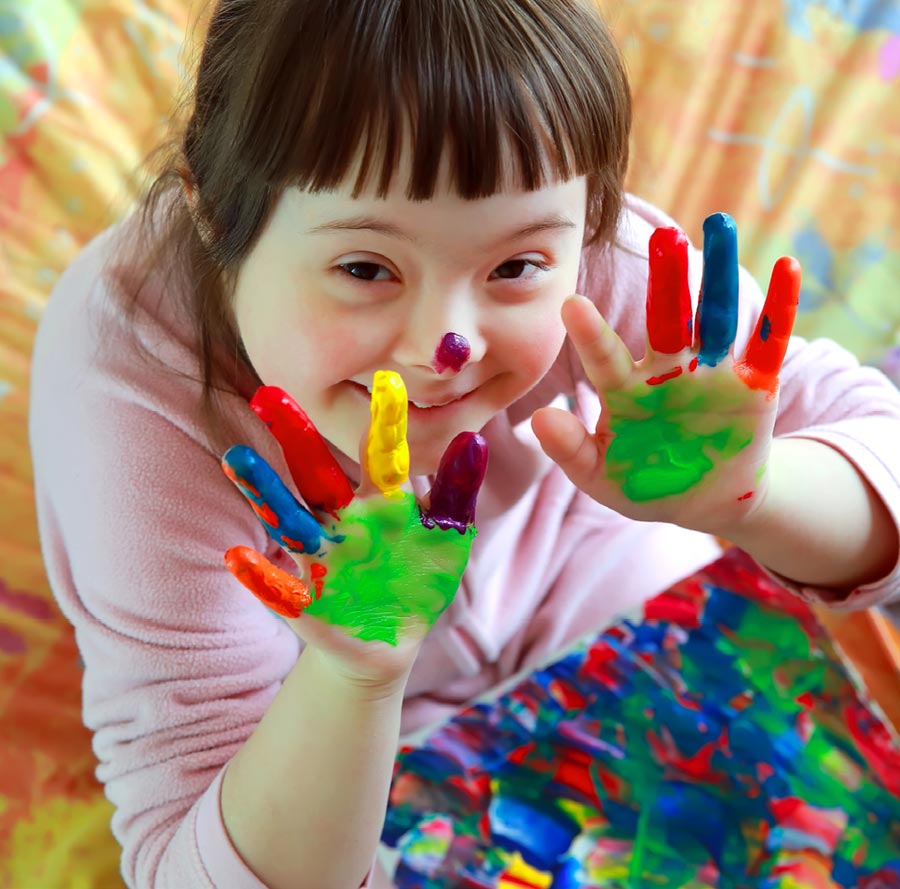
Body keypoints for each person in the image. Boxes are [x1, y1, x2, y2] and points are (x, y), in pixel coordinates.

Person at [27, 1, 900, 887]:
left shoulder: (606, 266)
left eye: (515, 267)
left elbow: (880, 448)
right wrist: (352, 675)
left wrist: (755, 492)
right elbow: (186, 866)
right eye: (367, 269)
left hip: (595, 577)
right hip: (318, 726)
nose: (446, 347)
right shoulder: (130, 389)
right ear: (213, 215)